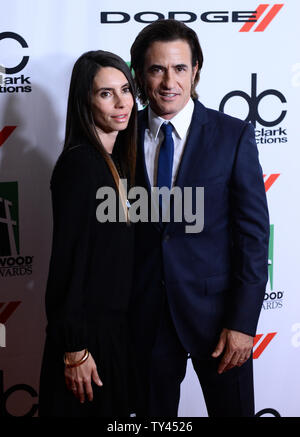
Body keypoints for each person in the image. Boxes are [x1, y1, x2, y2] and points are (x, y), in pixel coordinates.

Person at [129, 19, 269, 417]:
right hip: (148, 320)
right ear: (140, 74)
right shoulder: (121, 135)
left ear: (195, 72)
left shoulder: (233, 136)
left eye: (179, 68)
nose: (168, 81)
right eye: (156, 69)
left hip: (220, 320)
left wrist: (243, 323)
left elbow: (253, 238)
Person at [39, 50, 137, 417]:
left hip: (114, 338)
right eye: (105, 93)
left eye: (125, 90)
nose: (121, 102)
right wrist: (75, 349)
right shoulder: (80, 165)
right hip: (86, 346)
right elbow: (68, 263)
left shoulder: (116, 164)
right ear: (85, 101)